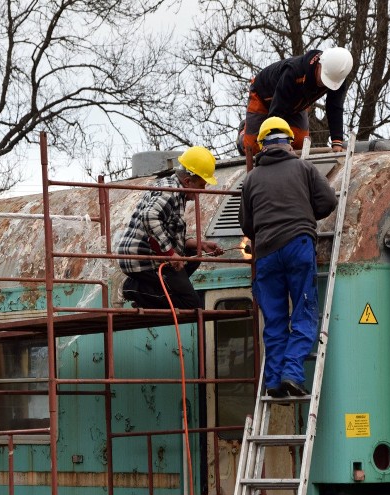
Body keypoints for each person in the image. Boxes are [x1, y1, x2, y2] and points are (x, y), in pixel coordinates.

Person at [239, 117, 337, 397]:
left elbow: (246, 224)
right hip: (297, 245)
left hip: (266, 254)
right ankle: (292, 375)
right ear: (289, 142)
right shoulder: (304, 168)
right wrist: (305, 214)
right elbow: (328, 201)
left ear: (262, 146)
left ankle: (273, 383)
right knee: (304, 311)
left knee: (275, 320)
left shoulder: (251, 179)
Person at [118, 146, 224, 309]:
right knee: (191, 303)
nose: (203, 190)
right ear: (188, 181)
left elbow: (172, 234)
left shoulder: (175, 190)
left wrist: (201, 245)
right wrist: (170, 254)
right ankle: (133, 288)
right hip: (141, 257)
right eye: (202, 185)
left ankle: (149, 292)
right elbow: (149, 216)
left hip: (152, 253)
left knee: (193, 255)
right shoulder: (170, 192)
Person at [237, 47, 353, 156]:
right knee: (254, 147)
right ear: (320, 64)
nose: (322, 84)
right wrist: (275, 142)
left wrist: (337, 141)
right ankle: (243, 132)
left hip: (296, 105)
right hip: (264, 97)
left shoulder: (337, 79)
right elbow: (278, 109)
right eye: (323, 78)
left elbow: (335, 107)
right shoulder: (294, 72)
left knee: (300, 146)